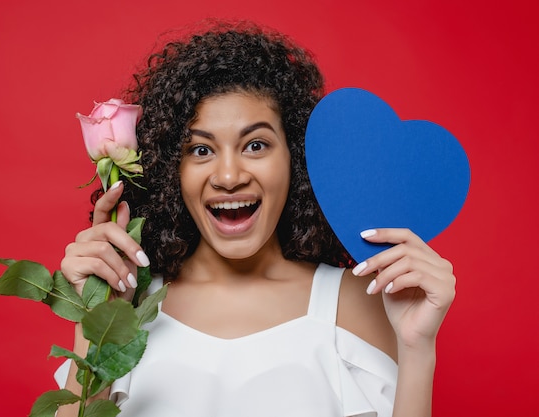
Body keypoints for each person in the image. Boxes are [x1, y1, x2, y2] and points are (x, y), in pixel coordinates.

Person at [56, 20, 455, 417]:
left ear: (295, 160)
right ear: (170, 169)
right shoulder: (128, 308)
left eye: (256, 145)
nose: (229, 177)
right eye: (200, 150)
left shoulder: (359, 303)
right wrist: (94, 324)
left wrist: (418, 348)